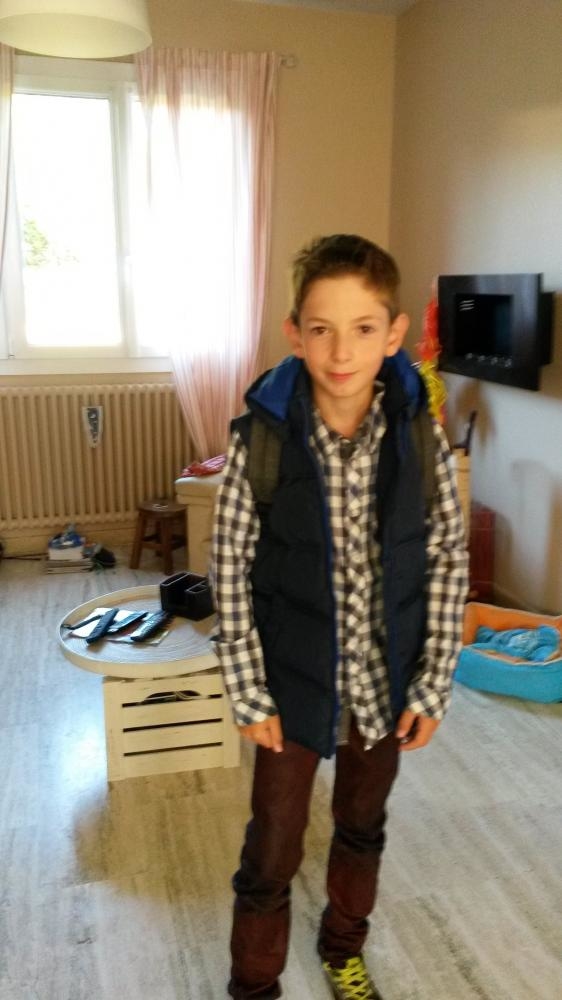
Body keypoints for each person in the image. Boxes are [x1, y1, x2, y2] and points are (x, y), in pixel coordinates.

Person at [211, 234, 469, 1000]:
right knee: (272, 847)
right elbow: (229, 568)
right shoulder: (262, 438)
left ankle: (344, 949)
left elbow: (447, 557)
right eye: (321, 329)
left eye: (363, 328)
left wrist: (433, 683)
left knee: (362, 826)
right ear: (295, 333)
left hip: (384, 688)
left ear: (393, 334)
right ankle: (254, 985)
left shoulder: (418, 437)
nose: (341, 351)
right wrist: (248, 691)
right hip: (290, 686)